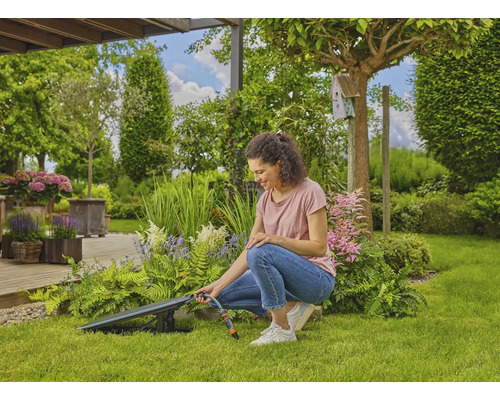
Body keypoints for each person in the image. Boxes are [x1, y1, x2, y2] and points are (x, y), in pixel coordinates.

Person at [194, 132, 335, 345]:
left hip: (316, 279)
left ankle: (282, 329)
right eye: (253, 173)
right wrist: (218, 284)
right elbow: (250, 249)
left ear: (279, 164)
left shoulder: (310, 191)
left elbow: (318, 247)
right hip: (285, 279)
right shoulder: (265, 200)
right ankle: (290, 307)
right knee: (219, 298)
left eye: (260, 171)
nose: (256, 179)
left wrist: (277, 239)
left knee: (263, 250)